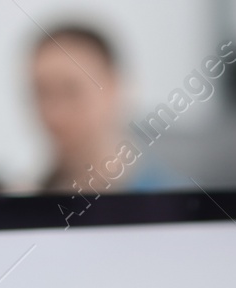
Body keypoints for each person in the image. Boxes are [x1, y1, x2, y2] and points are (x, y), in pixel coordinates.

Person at [28, 23, 184, 195]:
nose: (55, 114)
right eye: (42, 93)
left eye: (71, 91)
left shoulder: (172, 202)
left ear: (114, 88)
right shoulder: (29, 195)